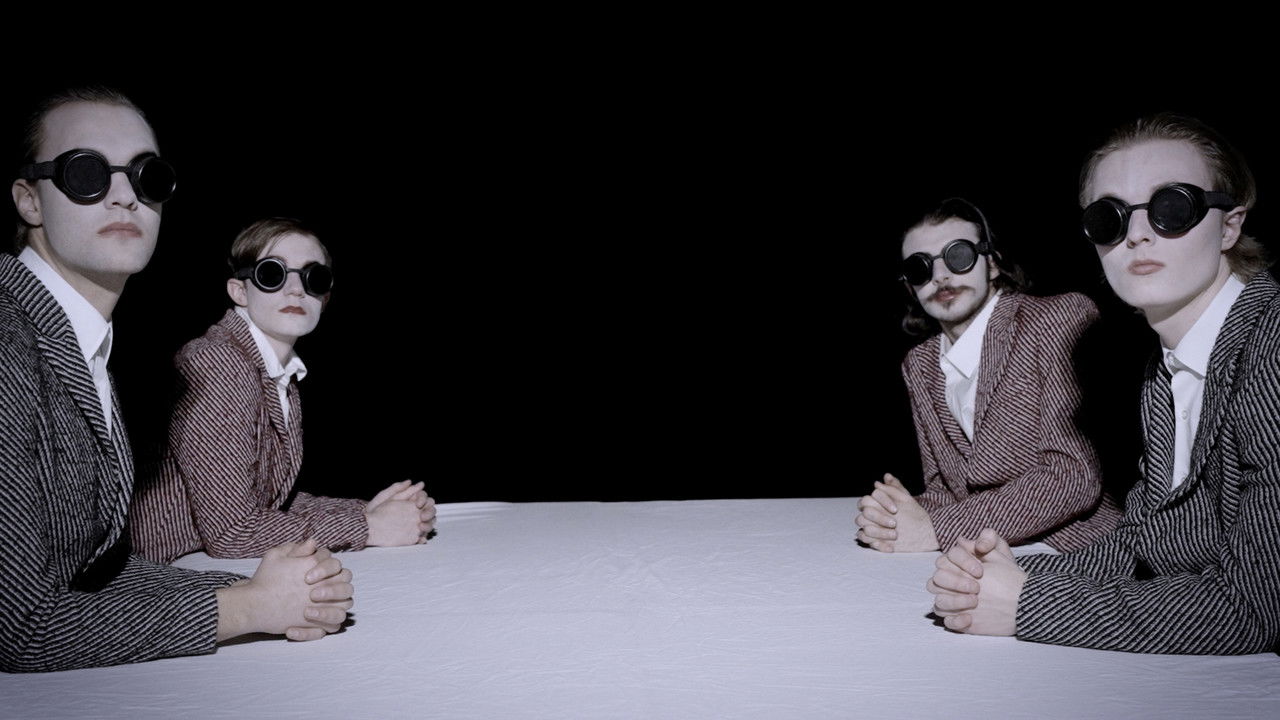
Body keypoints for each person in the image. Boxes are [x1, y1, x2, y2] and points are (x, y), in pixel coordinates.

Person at [1, 87, 354, 673]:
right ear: (29, 200)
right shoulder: (10, 340)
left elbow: (88, 571)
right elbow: (17, 626)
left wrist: (274, 591)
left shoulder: (77, 340)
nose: (124, 195)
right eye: (85, 172)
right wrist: (246, 606)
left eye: (148, 176)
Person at [928, 112, 1280, 654]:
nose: (1137, 234)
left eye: (1172, 207)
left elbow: (1256, 607)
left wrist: (1028, 602)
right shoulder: (1168, 366)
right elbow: (1145, 543)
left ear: (1229, 226)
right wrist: (1002, 577)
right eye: (1109, 217)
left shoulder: (1270, 347)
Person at [130, 218, 437, 562]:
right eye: (272, 273)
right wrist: (369, 527)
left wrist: (370, 511)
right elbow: (233, 533)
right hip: (153, 572)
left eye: (313, 277)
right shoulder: (218, 362)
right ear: (239, 291)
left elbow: (270, 502)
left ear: (324, 298)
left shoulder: (276, 370)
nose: (296, 290)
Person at [856, 198, 1120, 553]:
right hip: (985, 549)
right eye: (920, 268)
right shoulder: (919, 365)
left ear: (992, 264)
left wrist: (934, 529)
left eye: (958, 255)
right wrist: (893, 516)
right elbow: (946, 491)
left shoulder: (1055, 320)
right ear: (910, 288)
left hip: (1082, 549)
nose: (940, 276)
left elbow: (1073, 477)